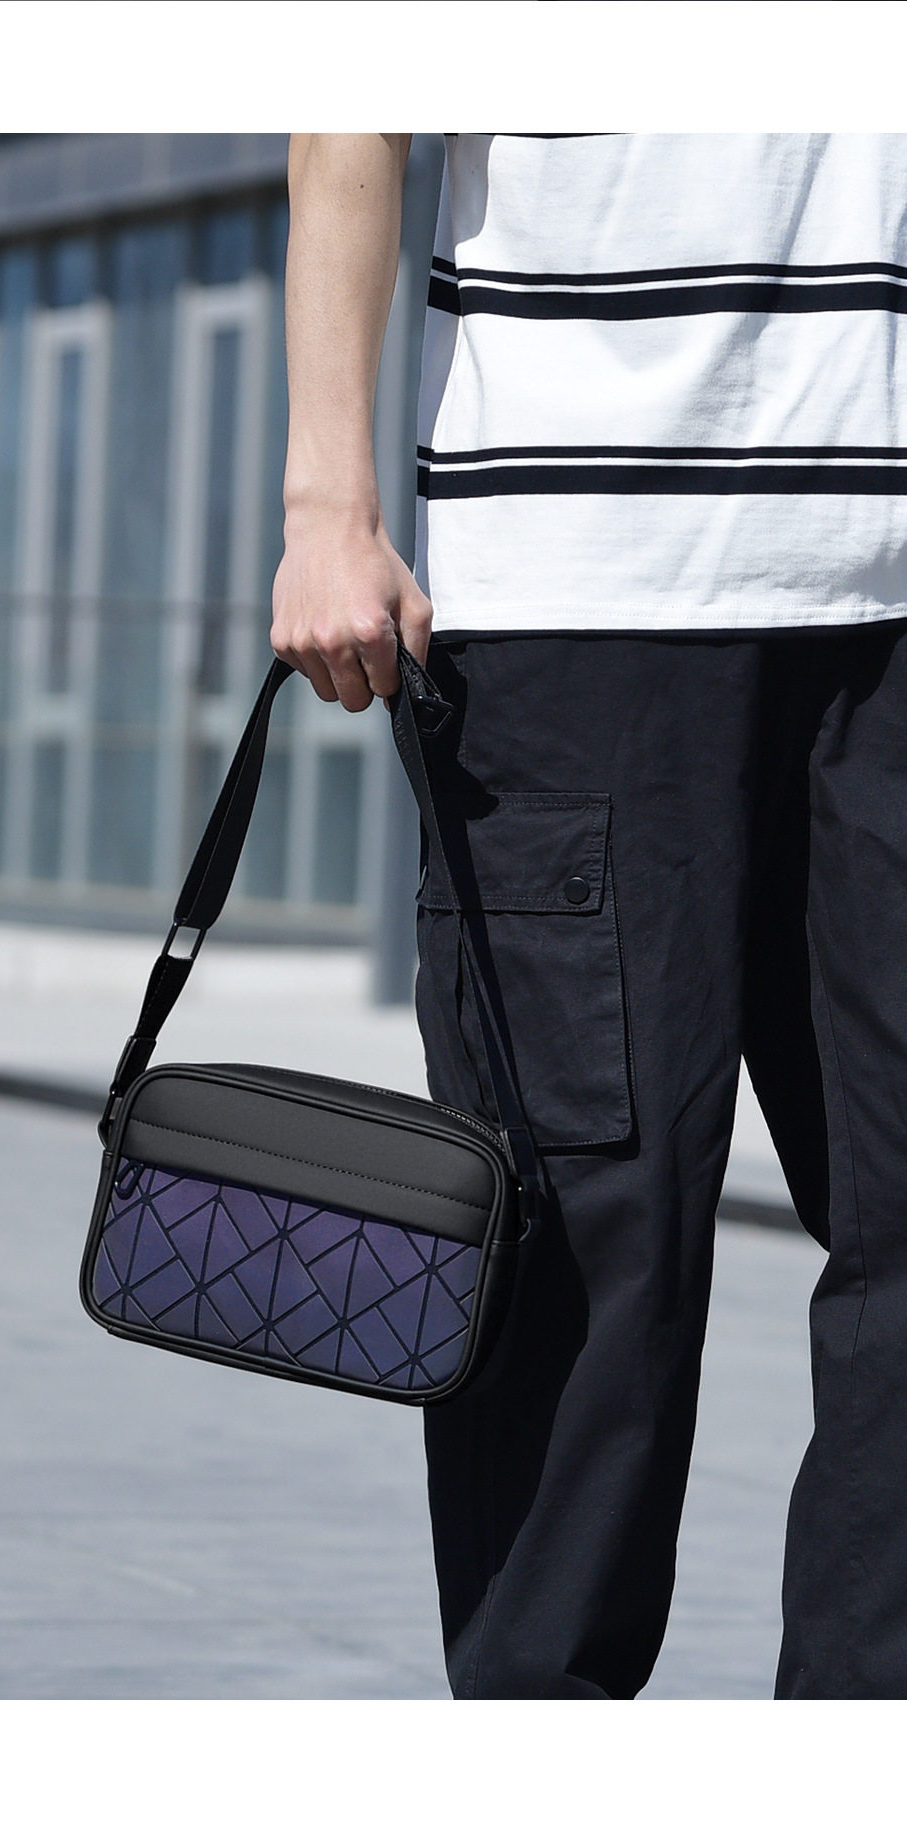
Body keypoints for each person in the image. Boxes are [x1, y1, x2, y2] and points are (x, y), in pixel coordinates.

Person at [271, 132, 907, 1700]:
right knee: (583, 1244)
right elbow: (353, 117)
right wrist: (326, 501)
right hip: (577, 595)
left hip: (893, 606)